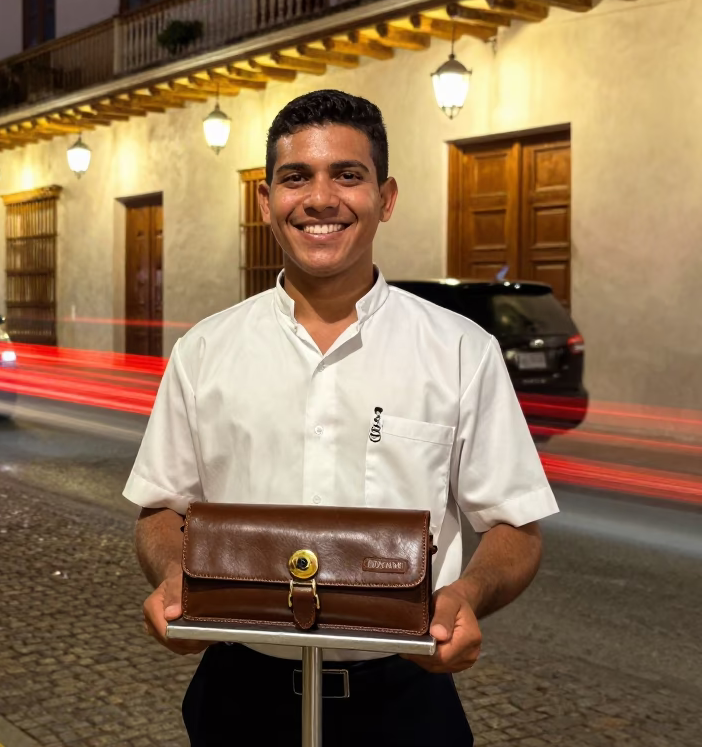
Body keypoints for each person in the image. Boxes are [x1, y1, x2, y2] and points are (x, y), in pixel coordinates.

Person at [124, 90, 558, 746]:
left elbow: (515, 525)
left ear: (385, 198)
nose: (320, 199)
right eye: (296, 177)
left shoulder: (459, 351)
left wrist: (467, 594)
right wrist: (172, 574)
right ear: (266, 201)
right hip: (239, 699)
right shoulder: (205, 351)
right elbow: (160, 507)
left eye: (347, 175)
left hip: (404, 705)